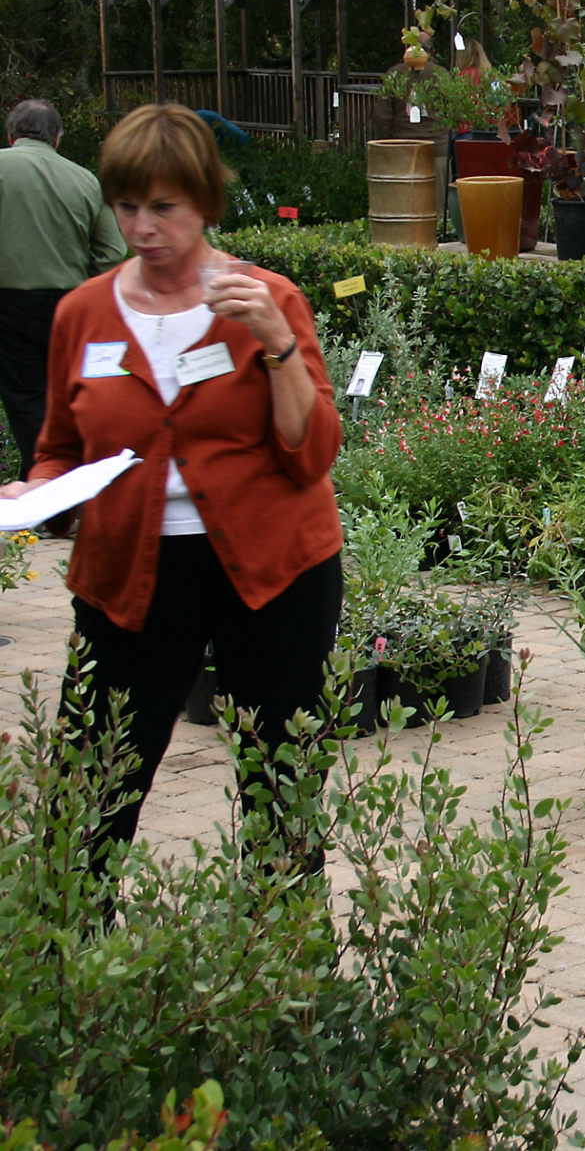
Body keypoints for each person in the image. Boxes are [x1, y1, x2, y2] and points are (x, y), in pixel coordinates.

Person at [0, 102, 343, 878]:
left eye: (164, 207)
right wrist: (36, 491)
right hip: (129, 573)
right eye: (126, 207)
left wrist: (277, 346)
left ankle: (286, 949)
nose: (143, 227)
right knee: (90, 794)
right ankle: (71, 947)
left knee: (281, 796)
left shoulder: (267, 299)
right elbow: (59, 447)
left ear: (205, 202)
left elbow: (313, 453)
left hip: (272, 572)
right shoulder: (83, 312)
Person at [0, 99, 128, 470]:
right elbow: (112, 252)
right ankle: (84, 476)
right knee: (75, 392)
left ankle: (43, 477)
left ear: (11, 135)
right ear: (57, 138)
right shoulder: (85, 179)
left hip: (8, 304)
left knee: (26, 399)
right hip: (72, 305)